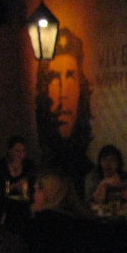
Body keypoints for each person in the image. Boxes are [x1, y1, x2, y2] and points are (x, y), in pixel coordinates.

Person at [36, 27, 94, 197]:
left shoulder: (88, 170)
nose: (63, 93)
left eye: (70, 77)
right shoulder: (43, 169)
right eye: (54, 78)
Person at [0, 135, 36, 235]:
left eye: (23, 151)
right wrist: (12, 187)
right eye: (17, 151)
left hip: (25, 207)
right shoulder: (0, 167)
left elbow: (33, 188)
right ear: (9, 150)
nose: (20, 154)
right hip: (6, 209)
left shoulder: (29, 166)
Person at [86, 144, 127, 218]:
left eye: (112, 160)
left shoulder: (126, 178)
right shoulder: (93, 178)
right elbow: (90, 201)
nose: (108, 164)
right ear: (100, 162)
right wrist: (103, 184)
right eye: (105, 160)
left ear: (118, 163)